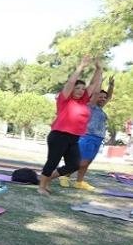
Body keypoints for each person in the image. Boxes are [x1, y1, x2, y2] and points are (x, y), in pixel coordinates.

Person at [38, 56, 102, 196]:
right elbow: (71, 82)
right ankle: (41, 186)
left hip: (74, 138)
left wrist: (99, 69)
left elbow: (94, 85)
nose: (80, 90)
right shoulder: (64, 99)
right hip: (59, 135)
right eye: (77, 88)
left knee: (74, 164)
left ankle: (46, 179)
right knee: (53, 161)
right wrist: (81, 67)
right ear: (71, 89)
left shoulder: (84, 101)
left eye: (82, 89)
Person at [64, 75, 114, 191]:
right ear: (95, 97)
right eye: (100, 97)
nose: (102, 99)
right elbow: (96, 93)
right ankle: (65, 177)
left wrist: (111, 85)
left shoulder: (101, 109)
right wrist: (100, 80)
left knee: (87, 162)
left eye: (104, 98)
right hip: (86, 137)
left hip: (97, 139)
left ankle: (79, 182)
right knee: (80, 161)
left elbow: (109, 97)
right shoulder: (90, 105)